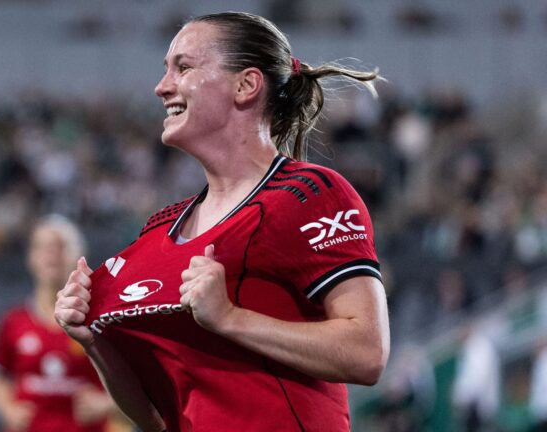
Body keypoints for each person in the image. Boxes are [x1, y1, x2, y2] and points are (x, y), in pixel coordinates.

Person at [55, 11, 390, 432]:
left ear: (246, 85)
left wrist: (231, 318)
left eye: (184, 67)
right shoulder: (158, 228)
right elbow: (157, 419)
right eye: (166, 69)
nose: (162, 87)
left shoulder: (309, 194)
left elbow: (366, 353)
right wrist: (94, 343)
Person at [0, 216, 116, 432]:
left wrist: (108, 404)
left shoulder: (100, 321)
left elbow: (135, 379)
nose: (51, 255)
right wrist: (8, 409)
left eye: (59, 247)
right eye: (42, 247)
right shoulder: (13, 321)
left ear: (77, 256)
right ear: (31, 257)